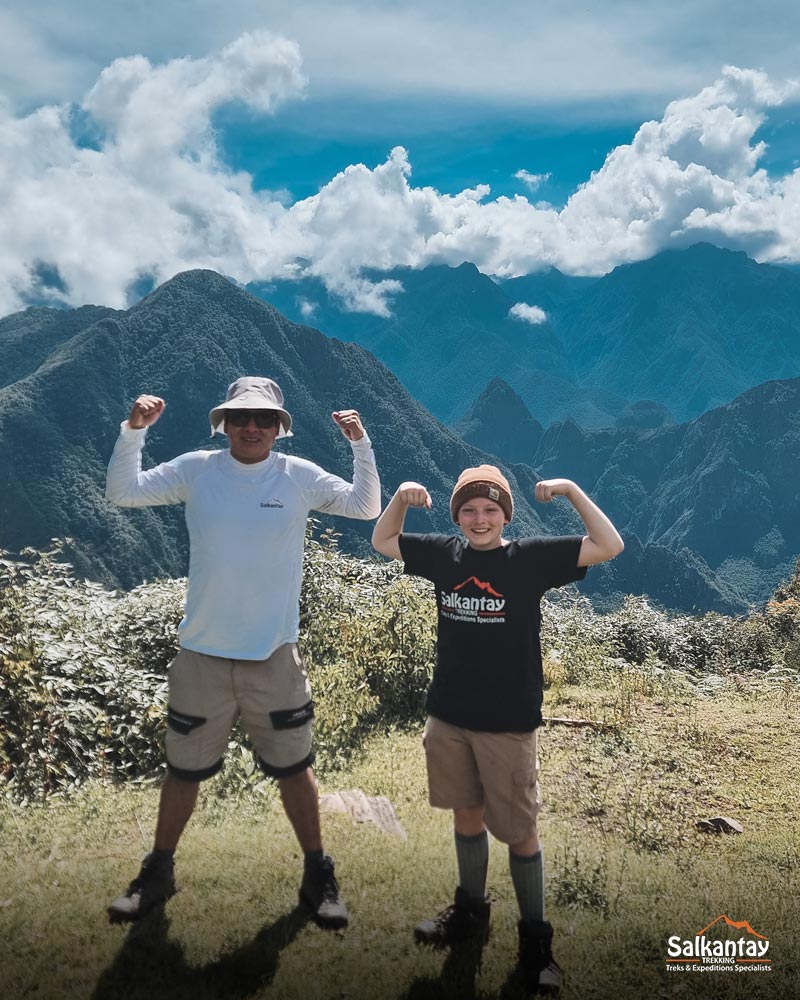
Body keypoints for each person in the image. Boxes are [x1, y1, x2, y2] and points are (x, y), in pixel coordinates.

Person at [105, 376, 381, 928]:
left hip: (273, 656)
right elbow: (123, 493)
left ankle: (317, 875)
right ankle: (157, 871)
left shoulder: (297, 476)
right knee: (183, 769)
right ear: (223, 422)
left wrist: (361, 443)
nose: (251, 427)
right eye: (240, 418)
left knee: (295, 768)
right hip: (201, 654)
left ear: (280, 428)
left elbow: (365, 506)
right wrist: (132, 432)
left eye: (263, 420)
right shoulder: (196, 469)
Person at [371, 465, 623, 993]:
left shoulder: (527, 560)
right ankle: (470, 911)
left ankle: (536, 943)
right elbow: (384, 538)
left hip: (509, 719)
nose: (479, 519)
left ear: (506, 515)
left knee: (520, 830)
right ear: (456, 515)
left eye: (490, 510)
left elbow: (609, 543)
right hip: (450, 713)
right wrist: (398, 496)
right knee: (466, 812)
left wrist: (572, 488)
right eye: (469, 510)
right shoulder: (444, 554)